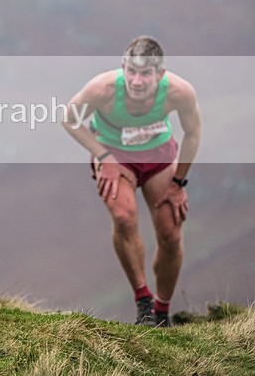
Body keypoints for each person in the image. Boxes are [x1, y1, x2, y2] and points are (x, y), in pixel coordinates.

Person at [63, 36, 201, 327]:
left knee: (171, 233)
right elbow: (69, 118)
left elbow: (193, 133)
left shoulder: (180, 91)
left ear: (160, 74)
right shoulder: (103, 88)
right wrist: (104, 156)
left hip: (159, 157)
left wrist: (179, 182)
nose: (137, 81)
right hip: (115, 156)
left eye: (146, 73)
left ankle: (162, 313)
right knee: (124, 218)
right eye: (132, 72)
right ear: (123, 67)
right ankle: (144, 303)